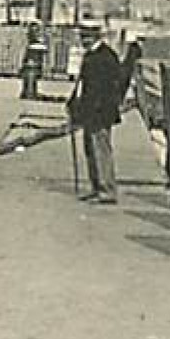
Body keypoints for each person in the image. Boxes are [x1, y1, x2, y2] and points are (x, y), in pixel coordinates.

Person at [68, 25, 122, 204]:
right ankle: (96, 187)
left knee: (100, 149)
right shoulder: (91, 55)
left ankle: (107, 189)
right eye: (83, 37)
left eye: (87, 37)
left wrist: (100, 107)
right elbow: (84, 84)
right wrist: (73, 101)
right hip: (90, 111)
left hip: (100, 112)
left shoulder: (106, 57)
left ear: (96, 37)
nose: (84, 41)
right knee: (91, 150)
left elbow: (112, 86)